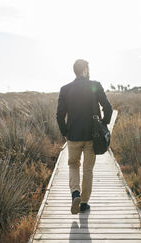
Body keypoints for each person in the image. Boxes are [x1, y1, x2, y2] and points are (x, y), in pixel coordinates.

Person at [56, 59, 113, 214]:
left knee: (73, 165)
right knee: (88, 169)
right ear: (85, 70)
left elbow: (59, 115)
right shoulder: (95, 85)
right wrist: (104, 123)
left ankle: (75, 193)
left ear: (75, 71)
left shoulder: (65, 89)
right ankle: (84, 203)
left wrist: (65, 132)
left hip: (73, 135)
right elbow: (108, 108)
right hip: (92, 135)